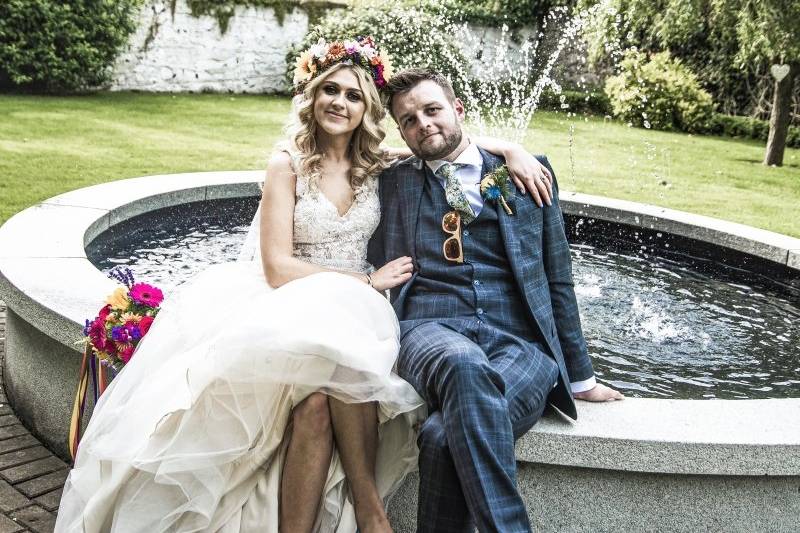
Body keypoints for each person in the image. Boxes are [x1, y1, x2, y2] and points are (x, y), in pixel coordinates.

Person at [55, 37, 554, 533]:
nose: (341, 102)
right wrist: (365, 280)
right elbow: (276, 266)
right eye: (331, 91)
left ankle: (368, 513)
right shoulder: (286, 163)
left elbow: (442, 141)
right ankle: (371, 516)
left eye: (354, 96)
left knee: (331, 381)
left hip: (355, 307)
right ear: (312, 97)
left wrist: (510, 148)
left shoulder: (378, 165)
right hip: (294, 296)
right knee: (323, 386)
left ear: (367, 109)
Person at [368, 68, 625, 532]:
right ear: (400, 131)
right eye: (408, 120)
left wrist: (580, 376)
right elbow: (339, 154)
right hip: (431, 330)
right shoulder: (397, 182)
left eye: (432, 110)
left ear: (457, 108)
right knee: (464, 363)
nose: (423, 123)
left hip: (520, 343)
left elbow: (558, 279)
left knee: (443, 437)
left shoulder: (526, 173)